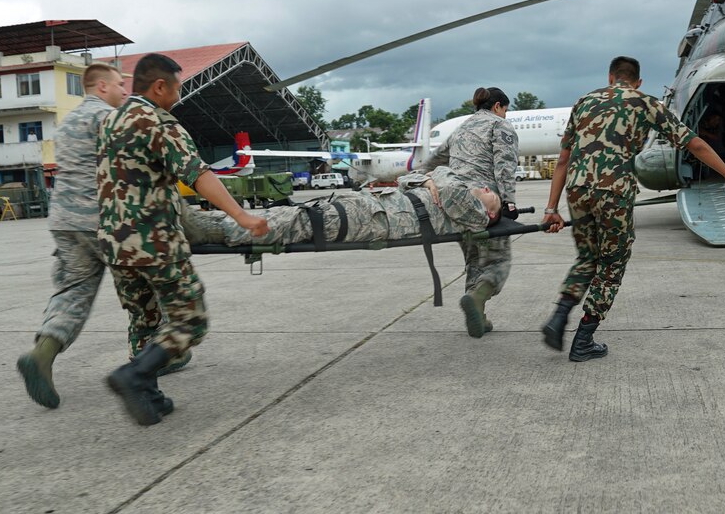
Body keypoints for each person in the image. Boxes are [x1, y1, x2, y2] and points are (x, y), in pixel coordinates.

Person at [541, 56, 725, 362]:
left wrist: (551, 208)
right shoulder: (646, 103)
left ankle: (559, 315)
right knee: (612, 264)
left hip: (577, 189)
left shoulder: (584, 102)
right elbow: (694, 144)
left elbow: (562, 159)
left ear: (611, 77)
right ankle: (584, 338)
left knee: (587, 257)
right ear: (637, 81)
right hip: (614, 190)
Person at [97, 53, 268, 426]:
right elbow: (197, 174)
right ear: (159, 87)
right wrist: (241, 216)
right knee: (191, 320)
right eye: (176, 88)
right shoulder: (159, 121)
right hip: (154, 241)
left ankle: (149, 396)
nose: (178, 96)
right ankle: (135, 376)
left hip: (114, 242)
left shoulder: (110, 120)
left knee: (145, 319)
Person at [16, 63, 127, 409]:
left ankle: (42, 354)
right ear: (102, 87)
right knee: (146, 285)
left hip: (64, 220)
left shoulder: (66, 124)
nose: (125, 91)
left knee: (73, 291)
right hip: (103, 220)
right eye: (121, 85)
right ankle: (160, 354)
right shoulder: (107, 119)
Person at [182, 167, 502, 246]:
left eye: (492, 196)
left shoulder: (473, 215)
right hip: (367, 206)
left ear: (490, 214)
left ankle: (211, 229)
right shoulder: (456, 196)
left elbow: (446, 181)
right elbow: (407, 177)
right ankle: (211, 221)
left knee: (301, 222)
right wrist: (428, 180)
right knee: (299, 214)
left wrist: (433, 178)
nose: (485, 188)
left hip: (373, 218)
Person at [421, 87, 517, 338]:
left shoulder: (460, 128)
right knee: (499, 261)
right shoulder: (499, 125)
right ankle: (476, 298)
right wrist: (509, 203)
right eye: (505, 110)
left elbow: (432, 162)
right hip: (485, 204)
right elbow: (504, 166)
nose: (505, 115)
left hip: (457, 205)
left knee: (474, 259)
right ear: (498, 106)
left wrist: (427, 181)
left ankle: (479, 317)